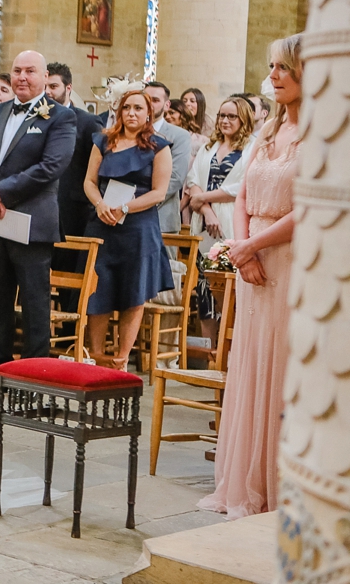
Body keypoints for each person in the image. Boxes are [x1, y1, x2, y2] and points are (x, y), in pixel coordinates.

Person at [199, 34, 302, 519]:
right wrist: (241, 251)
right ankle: (245, 482)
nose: (273, 76)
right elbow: (239, 195)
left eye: (283, 67)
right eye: (271, 66)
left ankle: (284, 485)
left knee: (284, 367)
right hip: (252, 260)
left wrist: (253, 246)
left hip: (293, 260)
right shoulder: (266, 133)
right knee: (252, 363)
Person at [0, 51, 76, 370]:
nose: (22, 77)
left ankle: (34, 371)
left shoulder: (59, 117)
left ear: (44, 77)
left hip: (31, 221)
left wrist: (2, 191)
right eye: (17, 71)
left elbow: (51, 166)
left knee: (33, 301)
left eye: (30, 71)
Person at [82, 88, 175, 370]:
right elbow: (89, 181)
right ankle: (97, 357)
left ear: (149, 113)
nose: (131, 113)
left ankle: (122, 359)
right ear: (119, 111)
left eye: (138, 108)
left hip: (138, 227)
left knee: (133, 294)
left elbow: (159, 192)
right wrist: (99, 205)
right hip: (103, 224)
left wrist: (125, 208)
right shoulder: (103, 141)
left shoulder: (159, 146)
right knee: (99, 290)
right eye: (126, 108)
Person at [185, 96, 255, 345]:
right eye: (222, 115)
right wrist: (206, 209)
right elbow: (192, 181)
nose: (225, 120)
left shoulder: (251, 148)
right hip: (205, 223)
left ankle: (229, 352)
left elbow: (241, 187)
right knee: (204, 289)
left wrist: (203, 198)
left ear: (244, 119)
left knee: (230, 290)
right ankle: (208, 351)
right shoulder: (208, 147)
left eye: (231, 116)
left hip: (232, 222)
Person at [47, 63, 100, 314]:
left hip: (73, 212)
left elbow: (96, 168)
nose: (48, 91)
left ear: (68, 88)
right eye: (45, 86)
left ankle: (69, 333)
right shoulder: (35, 118)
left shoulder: (87, 122)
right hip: (41, 210)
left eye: (54, 86)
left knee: (70, 280)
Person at [142, 81, 190, 234]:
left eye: (155, 100)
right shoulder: (128, 132)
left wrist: (139, 203)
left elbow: (176, 177)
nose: (150, 104)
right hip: (126, 217)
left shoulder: (179, 136)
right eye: (146, 99)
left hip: (162, 217)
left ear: (167, 105)